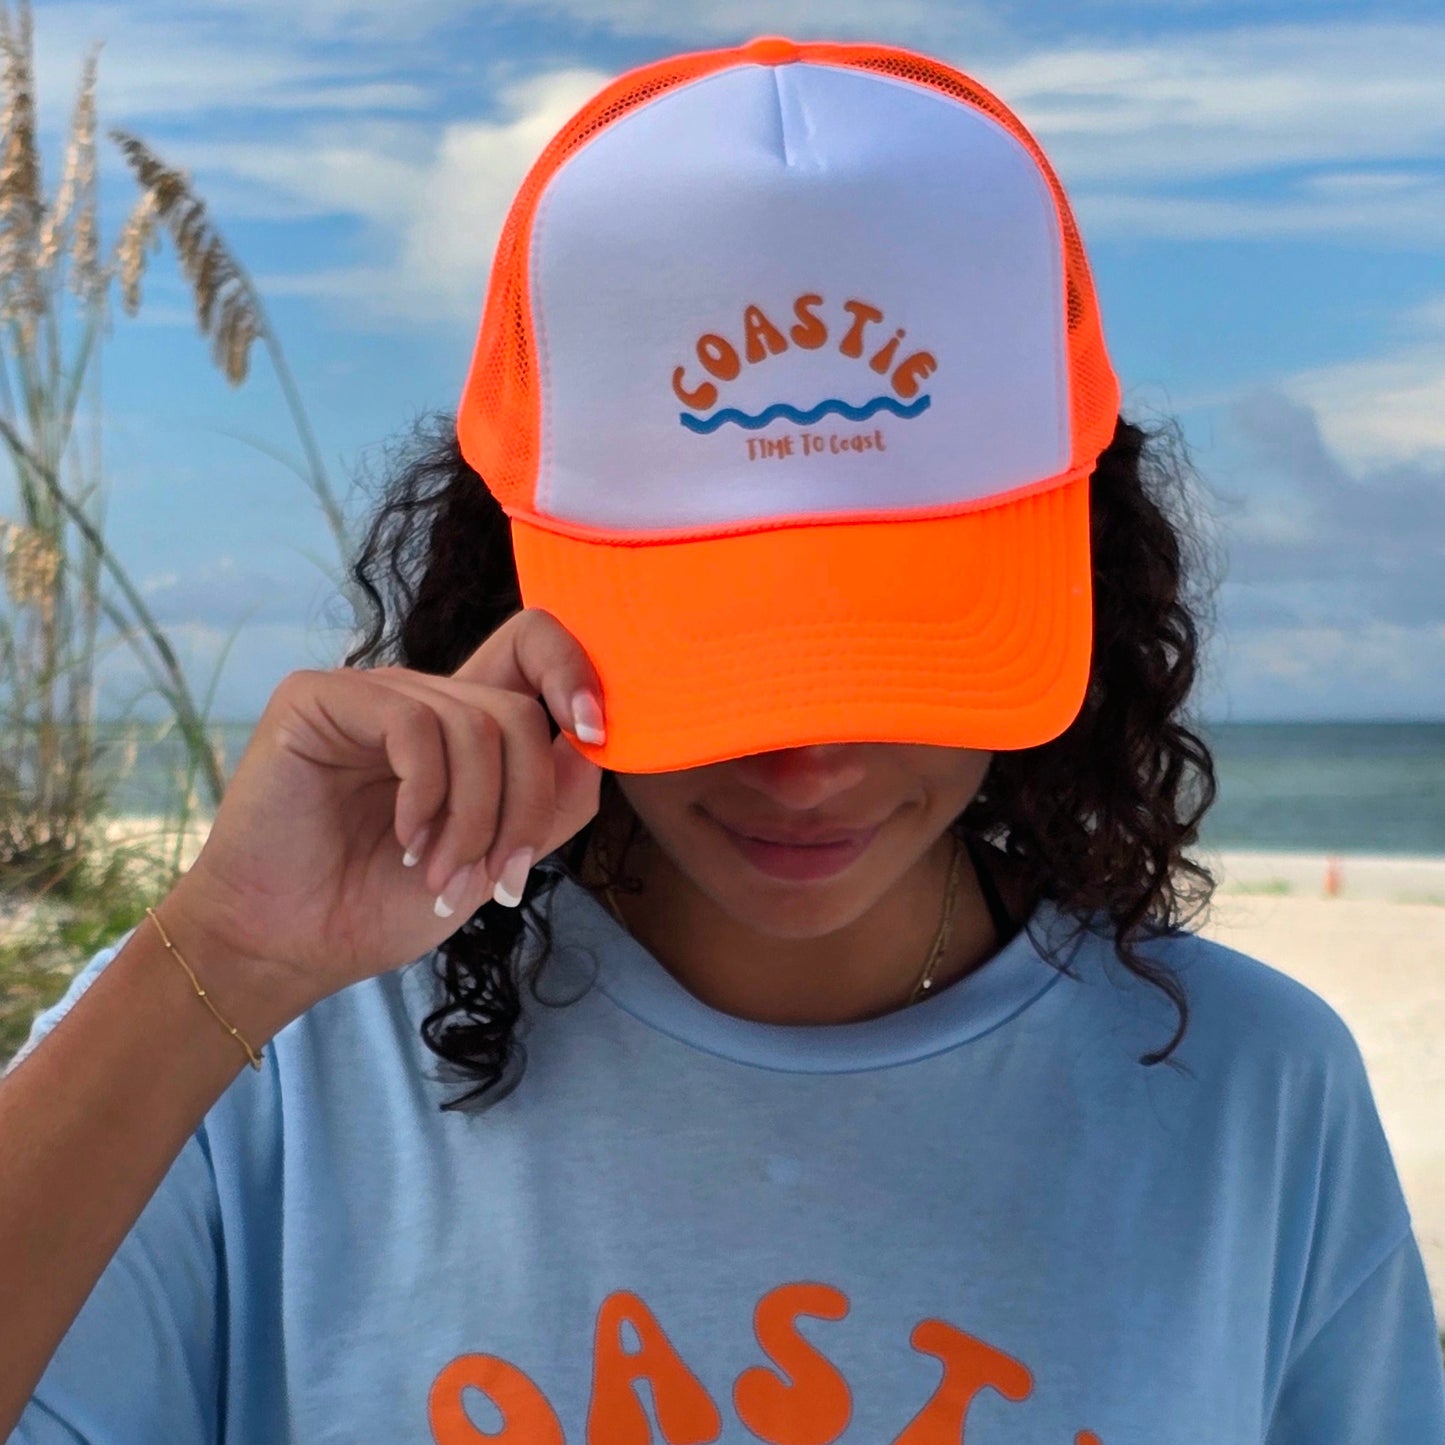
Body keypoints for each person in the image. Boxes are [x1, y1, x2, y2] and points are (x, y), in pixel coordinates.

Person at [2, 32, 1443, 1445]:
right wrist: (230, 958)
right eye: (716, 651)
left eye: (895, 641)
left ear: (1087, 567)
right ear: (510, 582)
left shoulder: (1253, 1099)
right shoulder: (266, 1062)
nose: (806, 762)